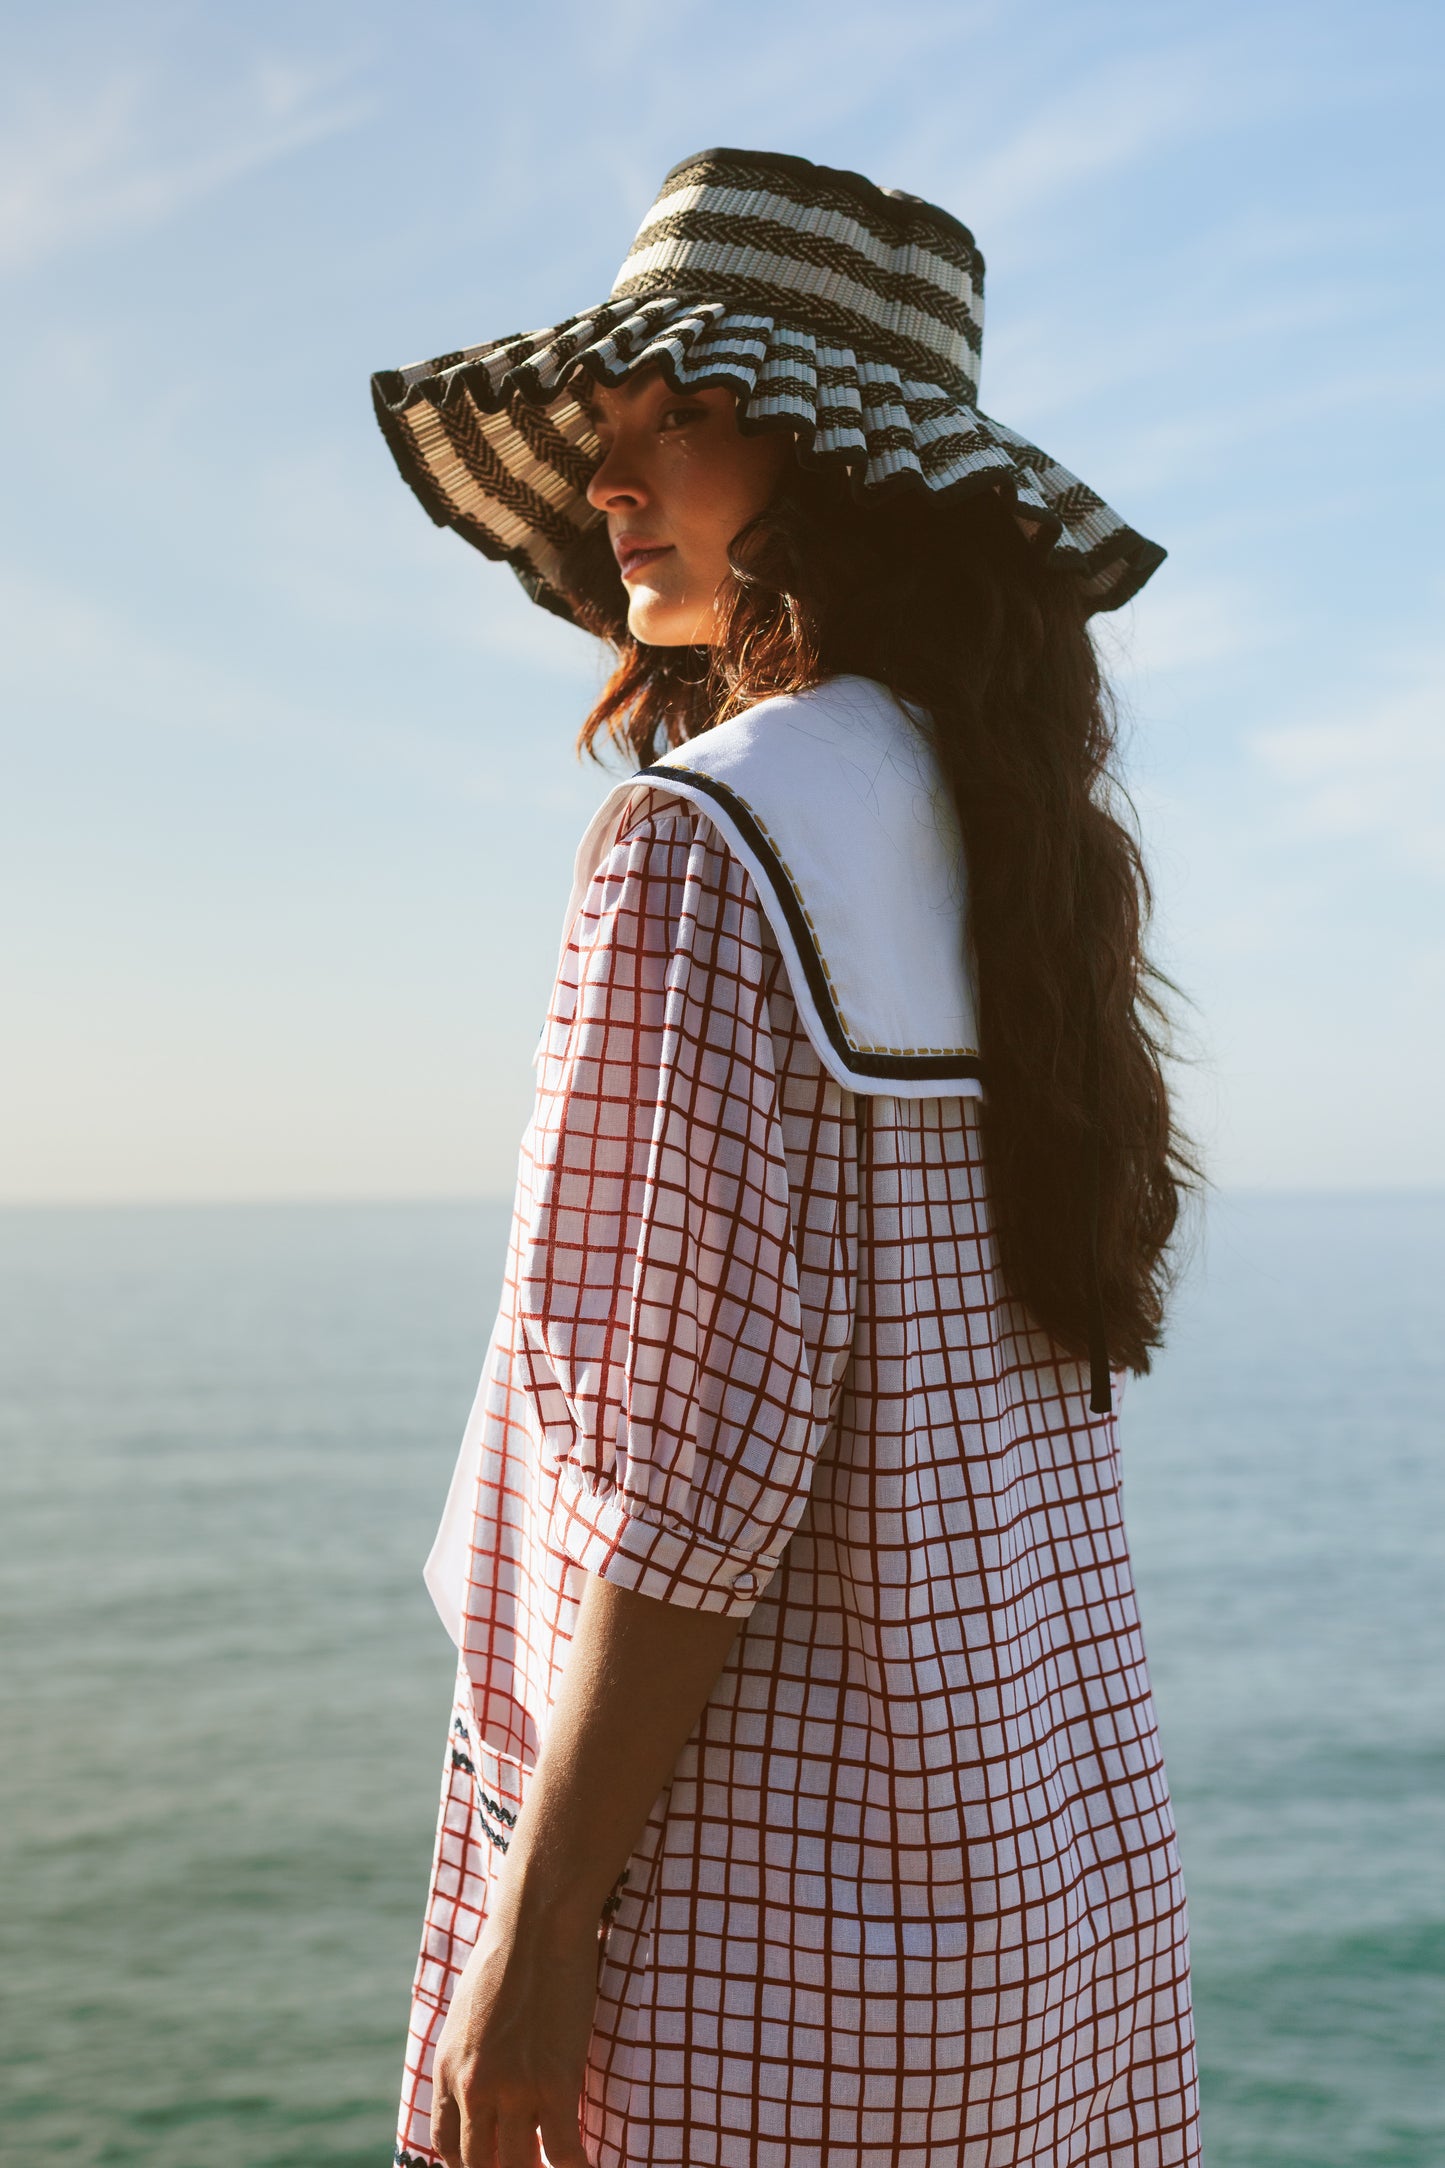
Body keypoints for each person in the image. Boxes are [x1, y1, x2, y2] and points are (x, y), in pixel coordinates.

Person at [371, 146, 1203, 2168]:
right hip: (1047, 1904)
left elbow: (684, 1483)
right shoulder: (1026, 857)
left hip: (750, 1927)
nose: (610, 469)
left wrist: (540, 1938)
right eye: (609, 419)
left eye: (684, 405)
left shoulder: (707, 843)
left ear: (833, 455)